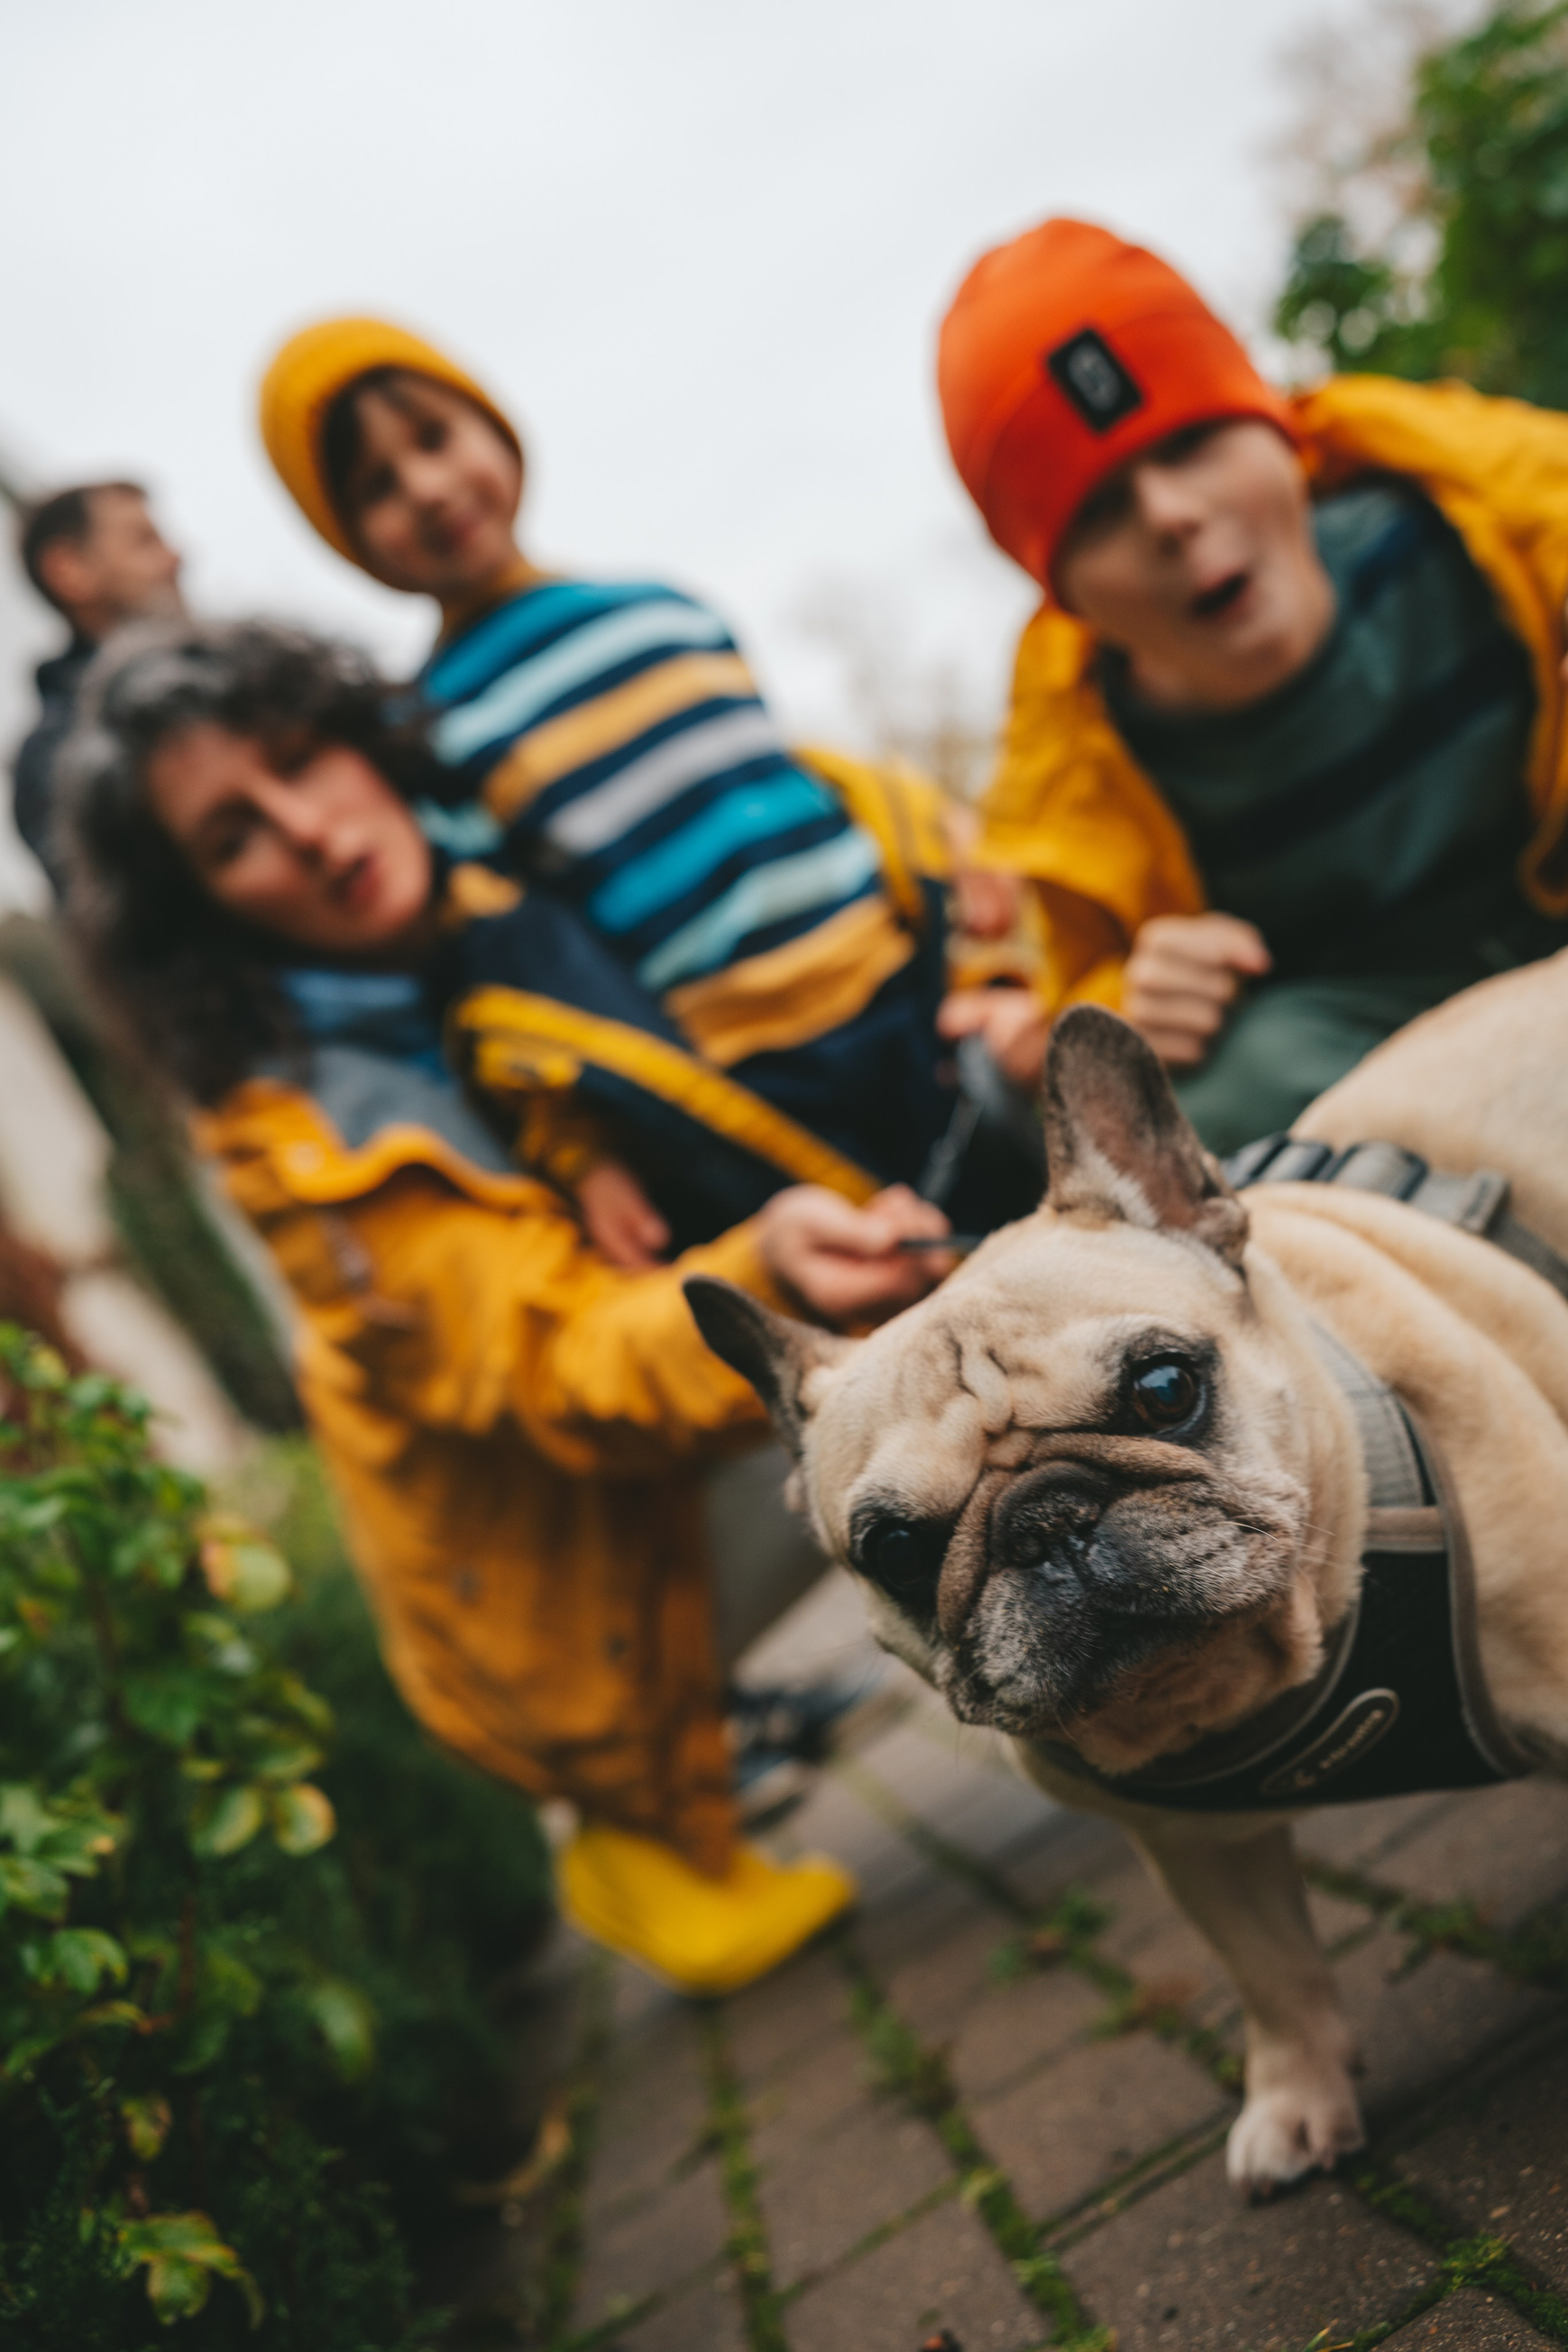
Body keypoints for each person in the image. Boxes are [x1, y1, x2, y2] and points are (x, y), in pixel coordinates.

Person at [58, 617, 954, 1994]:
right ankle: (629, 1823)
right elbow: (554, 1364)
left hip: (626, 1448)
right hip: (552, 1587)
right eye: (233, 836)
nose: (305, 828)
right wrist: (765, 1270)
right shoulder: (303, 1138)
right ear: (205, 914)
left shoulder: (494, 911)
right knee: (894, 1412)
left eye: (303, 760)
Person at [256, 319, 1035, 1257]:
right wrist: (584, 1153)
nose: (426, 488)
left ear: (494, 428)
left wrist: (966, 904)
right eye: (377, 486)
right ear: (351, 542)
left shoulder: (667, 613)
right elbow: (510, 968)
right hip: (753, 1083)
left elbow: (809, 789)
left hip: (907, 997)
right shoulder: (436, 731)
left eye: (433, 438)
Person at [934, 219, 1568, 1155]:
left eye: (1190, 444)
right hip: (1371, 1075)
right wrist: (1130, 1000)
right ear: (1064, 596)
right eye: (1102, 509)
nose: (1172, 516)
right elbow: (1083, 997)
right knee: (1195, 1111)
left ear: (1277, 426)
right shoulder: (1085, 779)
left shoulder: (1485, 524)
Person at [12, 481, 184, 889]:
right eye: (144, 542)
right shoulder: (57, 763)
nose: (176, 558)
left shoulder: (235, 679)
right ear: (69, 571)